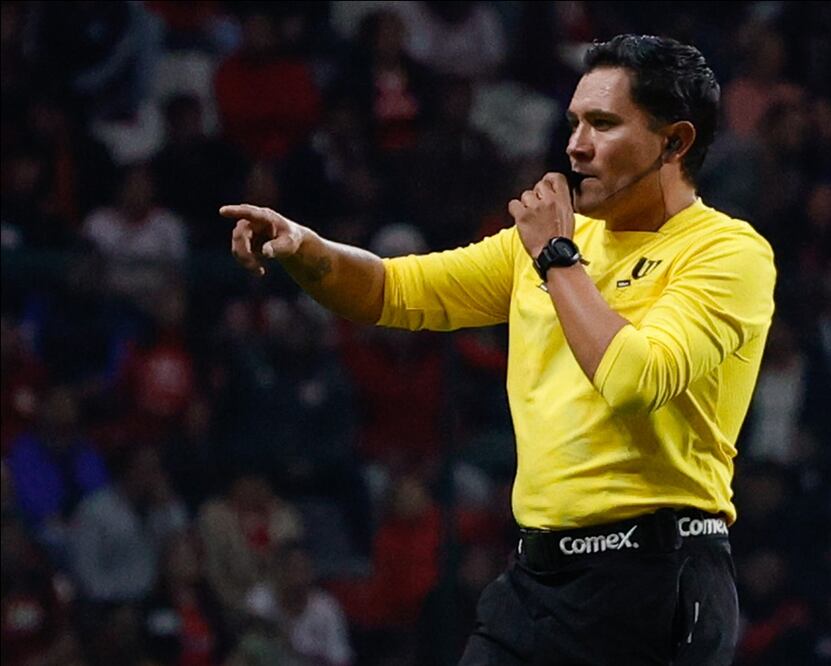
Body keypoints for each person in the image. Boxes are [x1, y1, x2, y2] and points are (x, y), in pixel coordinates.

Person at [222, 34, 776, 665]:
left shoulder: (726, 253)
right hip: (537, 581)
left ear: (675, 142)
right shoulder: (546, 244)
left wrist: (555, 257)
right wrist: (305, 247)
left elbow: (634, 379)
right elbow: (393, 290)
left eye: (603, 124)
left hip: (656, 581)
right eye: (575, 122)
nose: (575, 145)